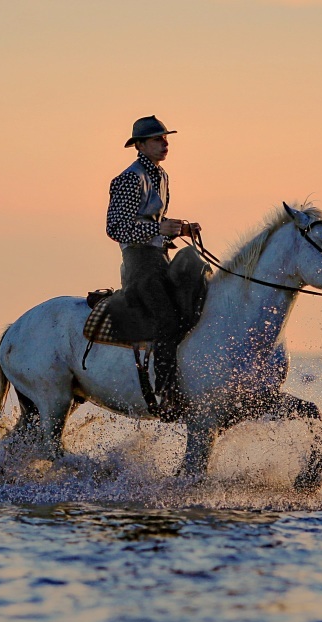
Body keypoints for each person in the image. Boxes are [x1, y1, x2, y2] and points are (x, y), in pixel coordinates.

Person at [106, 115, 200, 412]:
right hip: (139, 265)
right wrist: (158, 230)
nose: (165, 143)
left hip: (160, 258)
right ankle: (168, 396)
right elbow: (116, 229)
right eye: (158, 139)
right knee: (167, 320)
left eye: (165, 138)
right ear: (141, 145)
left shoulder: (162, 176)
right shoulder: (128, 179)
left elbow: (155, 224)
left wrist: (180, 230)